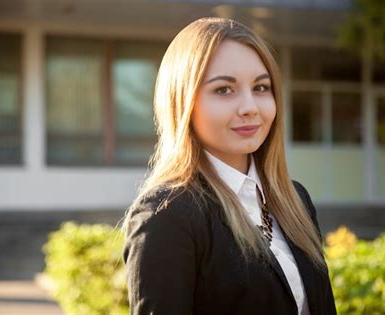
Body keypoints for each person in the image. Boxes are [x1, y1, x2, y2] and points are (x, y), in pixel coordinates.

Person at [123, 17, 337, 315]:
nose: (250, 107)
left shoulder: (295, 200)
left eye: (261, 87)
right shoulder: (167, 215)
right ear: (184, 103)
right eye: (224, 90)